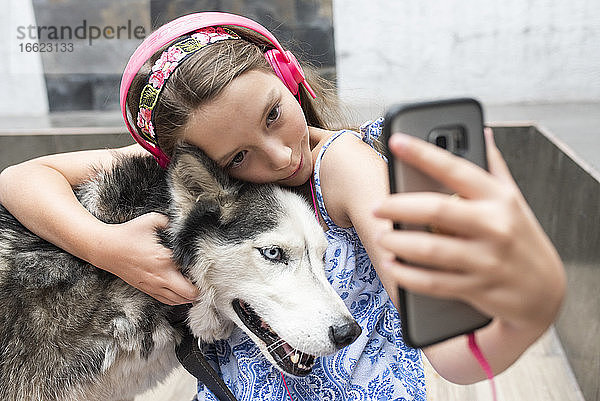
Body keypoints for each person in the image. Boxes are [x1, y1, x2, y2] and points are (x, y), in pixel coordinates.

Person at [0, 12, 565, 401]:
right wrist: (106, 247)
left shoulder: (342, 169)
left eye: (273, 114)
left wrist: (534, 306)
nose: (280, 155)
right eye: (240, 154)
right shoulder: (205, 173)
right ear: (197, 166)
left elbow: (451, 355)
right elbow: (21, 179)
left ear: (288, 75)